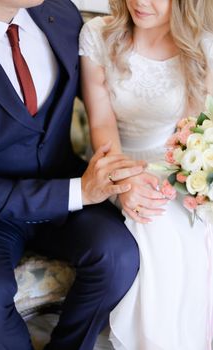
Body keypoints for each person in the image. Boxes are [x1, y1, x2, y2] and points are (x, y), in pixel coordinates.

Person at [0, 0, 168, 349]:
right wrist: (81, 191)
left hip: (61, 180)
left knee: (118, 255)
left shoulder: (60, 13)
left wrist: (122, 177)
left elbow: (107, 107)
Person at [79, 0, 213, 349]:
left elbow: (200, 132)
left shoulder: (202, 46)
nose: (140, 1)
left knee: (190, 223)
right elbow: (102, 123)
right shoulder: (97, 36)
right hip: (117, 164)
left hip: (177, 167)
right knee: (150, 220)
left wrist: (192, 178)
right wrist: (124, 181)